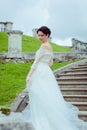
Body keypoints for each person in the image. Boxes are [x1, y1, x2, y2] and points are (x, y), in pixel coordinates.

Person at [25, 26, 87, 130]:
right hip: (46, 72)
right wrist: (44, 67)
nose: (39, 37)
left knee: (41, 97)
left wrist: (29, 75)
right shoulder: (49, 46)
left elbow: (35, 62)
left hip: (40, 72)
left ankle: (44, 123)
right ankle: (50, 122)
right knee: (47, 97)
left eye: (42, 35)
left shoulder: (44, 47)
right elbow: (51, 62)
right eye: (38, 35)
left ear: (47, 35)